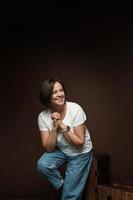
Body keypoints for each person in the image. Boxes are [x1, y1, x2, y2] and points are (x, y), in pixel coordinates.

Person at [37, 78, 93, 200]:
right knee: (43, 165)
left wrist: (62, 125)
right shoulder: (43, 116)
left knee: (69, 197)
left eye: (61, 90)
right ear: (47, 97)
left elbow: (79, 143)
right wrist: (55, 127)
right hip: (63, 150)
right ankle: (64, 186)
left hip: (80, 153)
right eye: (54, 92)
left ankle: (69, 191)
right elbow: (49, 148)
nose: (60, 94)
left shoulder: (76, 109)